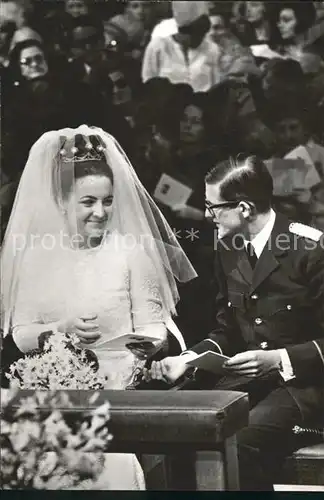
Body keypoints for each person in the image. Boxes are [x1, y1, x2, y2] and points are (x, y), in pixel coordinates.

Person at [0, 125, 197, 489]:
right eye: (88, 202)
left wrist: (145, 347)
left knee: (110, 468)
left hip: (123, 391)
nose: (100, 212)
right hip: (56, 396)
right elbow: (21, 332)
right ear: (61, 202)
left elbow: (156, 327)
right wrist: (60, 331)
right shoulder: (33, 258)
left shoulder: (132, 251)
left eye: (107, 201)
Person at [146, 155, 324, 490]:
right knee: (183, 426)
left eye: (213, 207)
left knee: (239, 441)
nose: (208, 215)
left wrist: (278, 359)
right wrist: (186, 361)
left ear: (243, 208)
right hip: (251, 386)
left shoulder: (311, 250)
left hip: (307, 389)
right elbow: (226, 330)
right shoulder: (229, 248)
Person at [142, 1, 222, 92]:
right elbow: (148, 82)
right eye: (198, 36)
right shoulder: (157, 47)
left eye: (203, 35)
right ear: (184, 33)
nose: (201, 39)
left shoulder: (212, 49)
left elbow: (216, 87)